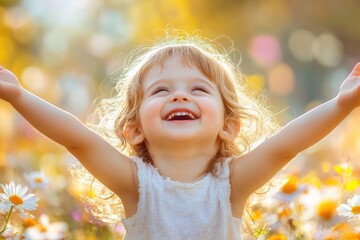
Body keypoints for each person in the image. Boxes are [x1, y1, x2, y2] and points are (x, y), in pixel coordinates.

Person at [0, 33, 359, 240]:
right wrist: (18, 95)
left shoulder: (231, 184)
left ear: (228, 125)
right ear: (135, 128)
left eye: (198, 89)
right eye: (161, 91)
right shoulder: (135, 184)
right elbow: (78, 139)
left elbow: (287, 145)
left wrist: (342, 105)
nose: (180, 96)